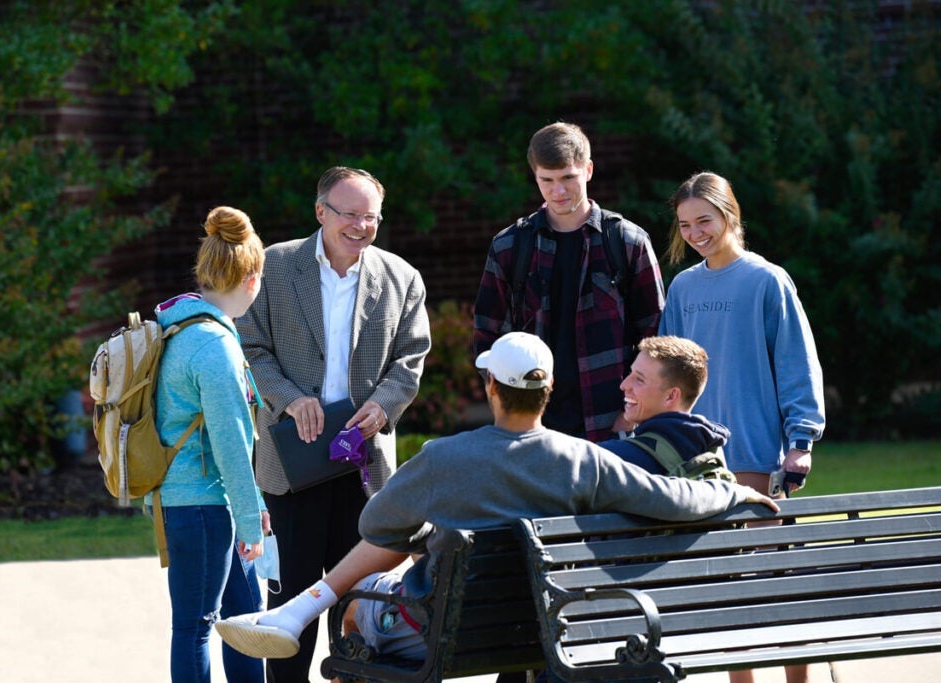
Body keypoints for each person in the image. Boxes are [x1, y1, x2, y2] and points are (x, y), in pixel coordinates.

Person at [214, 331, 779, 665]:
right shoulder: (586, 460)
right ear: (548, 390)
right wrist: (733, 497)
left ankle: (300, 609)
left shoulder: (443, 459)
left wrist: (431, 525)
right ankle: (294, 612)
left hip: (441, 631)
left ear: (490, 388)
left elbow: (376, 521)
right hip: (545, 625)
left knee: (360, 607)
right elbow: (673, 498)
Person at [236, 166, 432, 682]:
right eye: (350, 214)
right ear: (321, 212)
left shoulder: (402, 277)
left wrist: (384, 405)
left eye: (371, 216)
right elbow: (248, 347)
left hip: (364, 470)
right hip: (289, 463)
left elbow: (412, 357)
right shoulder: (273, 268)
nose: (361, 226)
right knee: (289, 602)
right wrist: (290, 399)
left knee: (357, 604)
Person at [658, 172, 826, 683]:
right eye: (685, 225)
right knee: (728, 591)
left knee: (776, 587)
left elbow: (798, 365)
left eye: (703, 220)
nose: (695, 233)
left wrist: (800, 442)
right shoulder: (683, 287)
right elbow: (667, 372)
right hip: (701, 466)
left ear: (729, 215)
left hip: (758, 458)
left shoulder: (767, 280)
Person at [473, 121, 665, 444]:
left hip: (611, 425)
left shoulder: (627, 241)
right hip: (532, 426)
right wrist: (509, 408)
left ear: (588, 170)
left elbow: (657, 337)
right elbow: (487, 337)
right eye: (546, 180)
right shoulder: (510, 247)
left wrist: (632, 413)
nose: (558, 191)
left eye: (567, 178)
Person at [151, 206, 271, 682]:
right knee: (196, 628)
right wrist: (250, 521)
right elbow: (231, 443)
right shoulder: (213, 346)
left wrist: (250, 507)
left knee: (244, 621)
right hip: (200, 507)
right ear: (251, 278)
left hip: (202, 502)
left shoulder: (179, 326)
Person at [603, 334, 732, 478]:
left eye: (639, 379)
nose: (624, 385)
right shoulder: (711, 454)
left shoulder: (613, 458)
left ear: (671, 396)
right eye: (630, 373)